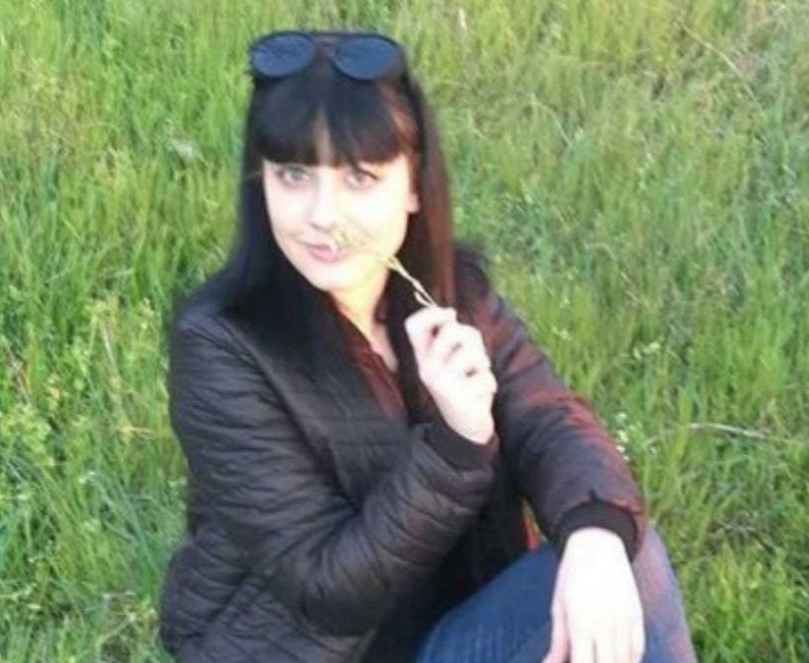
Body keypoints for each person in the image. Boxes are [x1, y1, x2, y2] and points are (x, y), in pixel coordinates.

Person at [158, 29, 697, 663]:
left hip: (451, 624)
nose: (323, 215)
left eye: (360, 177)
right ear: (262, 183)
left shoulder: (449, 293)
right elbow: (326, 592)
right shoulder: (222, 344)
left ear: (413, 184)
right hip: (324, 650)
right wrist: (456, 445)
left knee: (622, 553)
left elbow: (547, 417)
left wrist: (595, 538)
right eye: (294, 175)